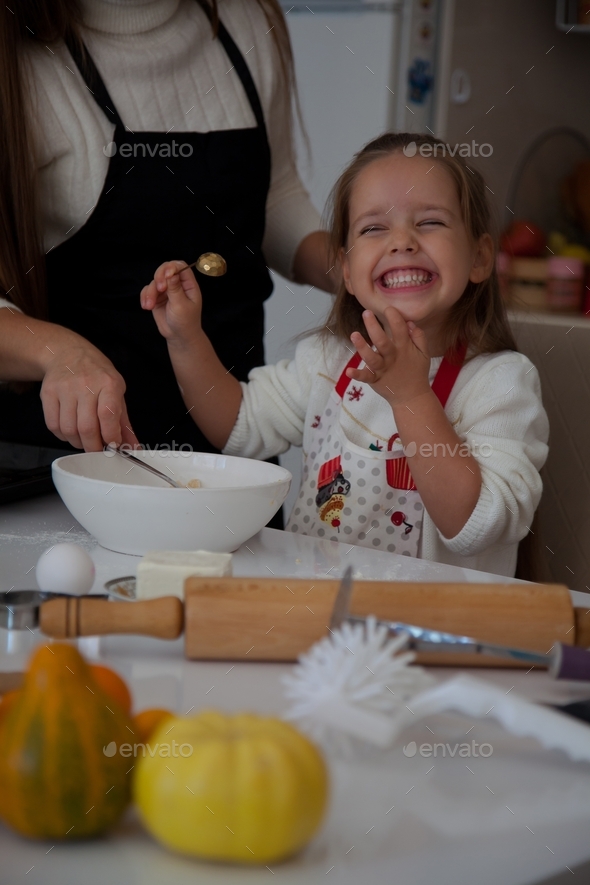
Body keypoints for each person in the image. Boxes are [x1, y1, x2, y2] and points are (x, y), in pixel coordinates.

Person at [140, 132, 549, 577]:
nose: (402, 241)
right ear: (348, 272)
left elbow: (480, 524)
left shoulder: (500, 382)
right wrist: (185, 339)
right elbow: (238, 426)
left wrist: (411, 398)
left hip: (435, 639)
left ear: (479, 257)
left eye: (430, 222)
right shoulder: (327, 360)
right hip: (322, 624)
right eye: (374, 228)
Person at [0, 0, 331, 456]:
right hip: (70, 468)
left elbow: (276, 196)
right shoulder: (14, 53)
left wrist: (359, 269)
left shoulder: (245, 18)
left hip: (233, 457)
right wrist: (59, 353)